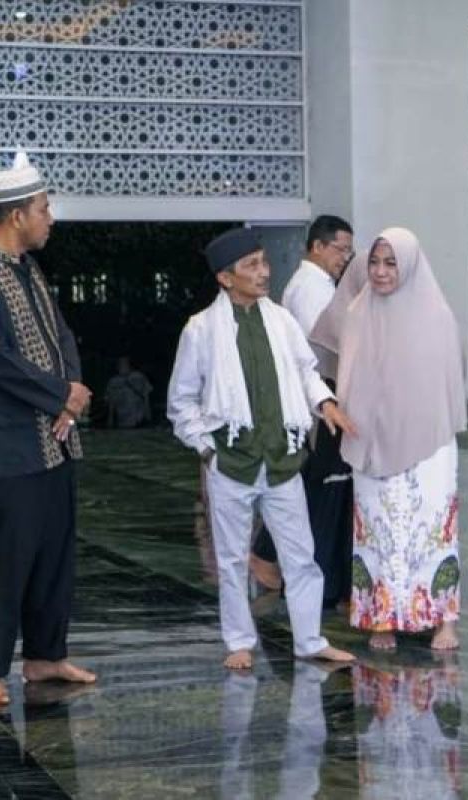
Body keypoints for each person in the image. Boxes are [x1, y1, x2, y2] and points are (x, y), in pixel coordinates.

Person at [167, 226, 357, 670]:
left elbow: (307, 371)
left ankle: (310, 640)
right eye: (251, 266)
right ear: (225, 278)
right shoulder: (200, 330)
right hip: (230, 460)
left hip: (282, 458)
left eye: (264, 262)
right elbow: (181, 402)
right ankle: (238, 641)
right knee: (232, 558)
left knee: (302, 556)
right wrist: (207, 448)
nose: (264, 272)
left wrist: (324, 402)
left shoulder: (281, 320)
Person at [0, 153, 97, 707]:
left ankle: (43, 656)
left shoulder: (29, 269)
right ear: (16, 216)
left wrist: (73, 391)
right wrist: (59, 393)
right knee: (5, 561)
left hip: (54, 440)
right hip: (5, 446)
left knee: (54, 553)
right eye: (43, 208)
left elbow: (62, 338)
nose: (50, 218)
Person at [311, 227, 467, 652]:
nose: (379, 272)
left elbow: (450, 380)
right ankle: (381, 618)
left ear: (410, 265)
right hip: (373, 438)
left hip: (428, 441)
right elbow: (343, 373)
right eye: (374, 263)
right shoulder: (358, 312)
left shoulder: (436, 315)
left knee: (432, 529)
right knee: (377, 530)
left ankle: (442, 621)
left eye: (391, 263)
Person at [252, 214, 357, 607]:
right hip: (317, 398)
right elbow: (329, 342)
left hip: (323, 394)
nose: (344, 257)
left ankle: (279, 557)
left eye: (348, 251)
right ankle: (267, 554)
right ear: (317, 246)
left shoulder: (322, 285)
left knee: (316, 482)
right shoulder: (311, 288)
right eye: (340, 249)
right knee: (317, 480)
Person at [105, 355, 154, 428]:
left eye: (125, 363)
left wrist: (148, 414)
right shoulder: (113, 382)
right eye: (120, 364)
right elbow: (111, 402)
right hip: (122, 419)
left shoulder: (139, 377)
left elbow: (146, 396)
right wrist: (110, 419)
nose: (123, 366)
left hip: (138, 419)